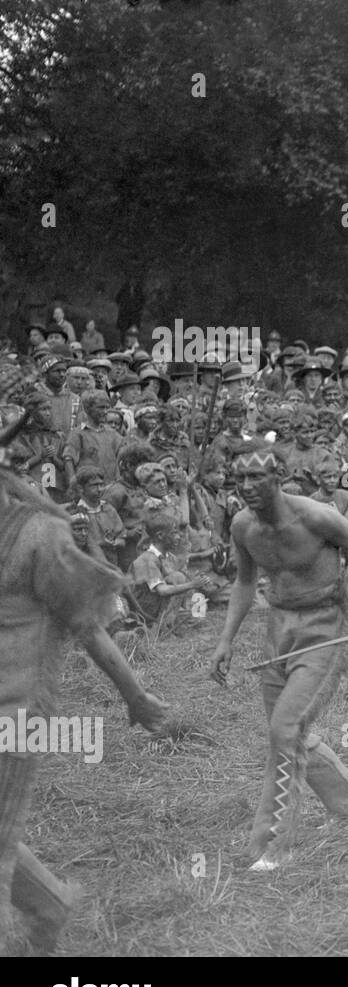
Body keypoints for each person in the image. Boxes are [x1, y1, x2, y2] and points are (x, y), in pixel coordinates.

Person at [0, 370, 168, 954]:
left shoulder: (41, 536)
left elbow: (89, 627)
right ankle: (50, 903)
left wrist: (135, 695)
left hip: (17, 710)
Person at [208, 440, 348, 871]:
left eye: (257, 477)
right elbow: (244, 582)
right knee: (290, 732)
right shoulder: (242, 527)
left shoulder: (316, 516)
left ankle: (274, 847)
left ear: (280, 476)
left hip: (326, 627)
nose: (247, 486)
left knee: (285, 729)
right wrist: (225, 640)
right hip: (278, 629)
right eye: (240, 478)